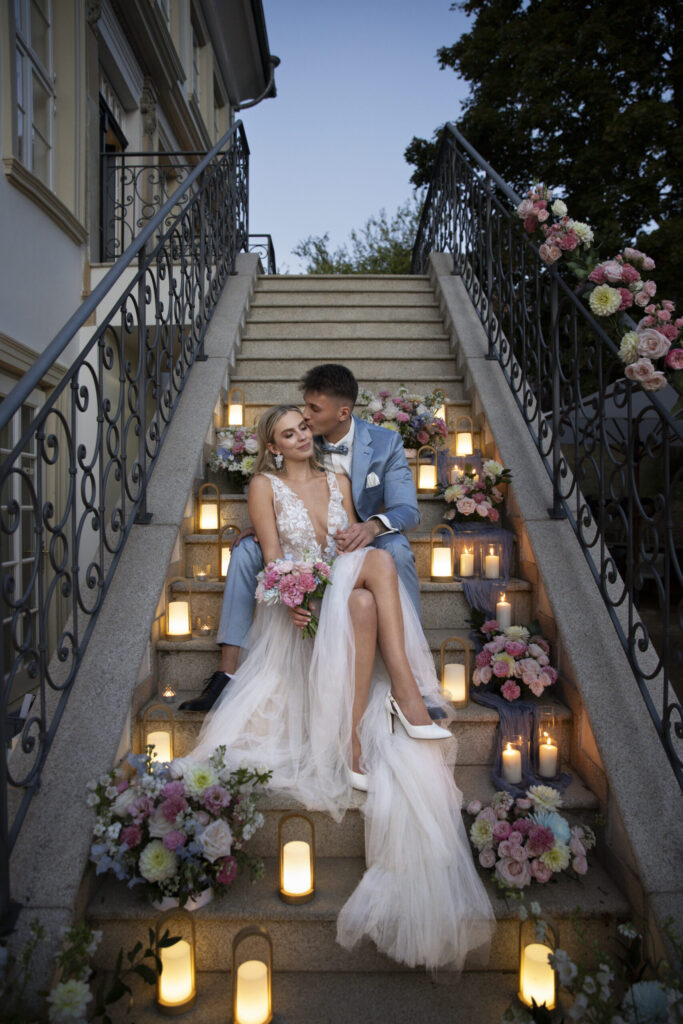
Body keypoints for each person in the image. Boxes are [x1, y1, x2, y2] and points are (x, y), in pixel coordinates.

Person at [175, 404, 494, 971]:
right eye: (288, 432)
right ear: (273, 446)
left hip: (340, 589)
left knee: (369, 580)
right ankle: (404, 695)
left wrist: (331, 574)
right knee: (377, 569)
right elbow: (270, 561)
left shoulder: (340, 479)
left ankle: (353, 738)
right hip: (298, 608)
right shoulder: (264, 487)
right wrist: (296, 600)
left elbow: (344, 545)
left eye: (304, 427)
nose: (302, 437)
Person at [181, 363, 422, 713]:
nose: (305, 419)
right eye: (304, 409)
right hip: (307, 541)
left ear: (343, 412)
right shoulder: (303, 437)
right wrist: (270, 522)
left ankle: (407, 661)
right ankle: (227, 672)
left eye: (312, 410)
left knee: (395, 549)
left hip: (362, 533)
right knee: (248, 549)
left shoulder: (385, 443)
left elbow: (408, 511)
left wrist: (370, 528)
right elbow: (284, 480)